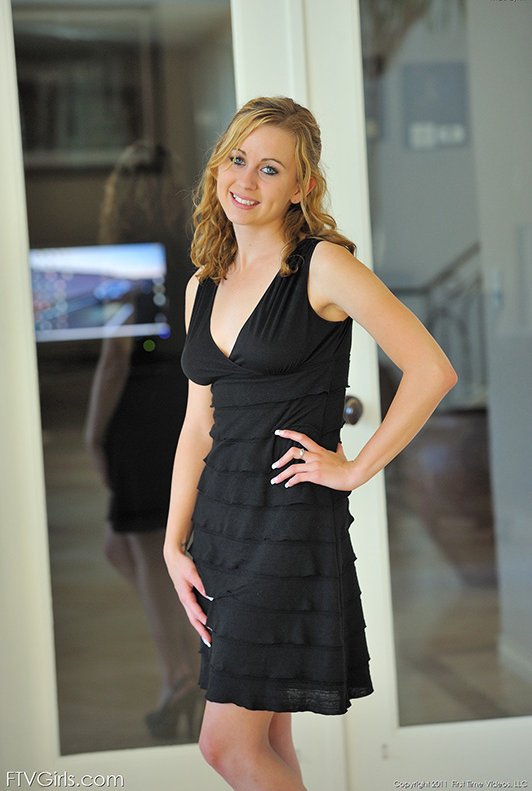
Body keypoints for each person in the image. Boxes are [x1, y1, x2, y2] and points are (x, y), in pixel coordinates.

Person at [163, 97, 457, 790]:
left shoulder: (323, 267)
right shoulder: (203, 285)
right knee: (267, 735)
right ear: (217, 167)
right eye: (237, 159)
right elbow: (198, 425)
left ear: (302, 187)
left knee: (225, 746)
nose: (246, 180)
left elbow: (431, 370)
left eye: (271, 168)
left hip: (288, 523)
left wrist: (354, 469)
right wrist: (174, 544)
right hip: (222, 526)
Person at [84, 141, 203, 741]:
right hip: (177, 402)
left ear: (120, 195)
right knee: (125, 545)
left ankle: (178, 675)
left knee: (149, 549)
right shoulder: (190, 250)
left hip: (140, 415)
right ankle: (192, 658)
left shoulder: (128, 256)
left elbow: (116, 358)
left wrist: (92, 432)